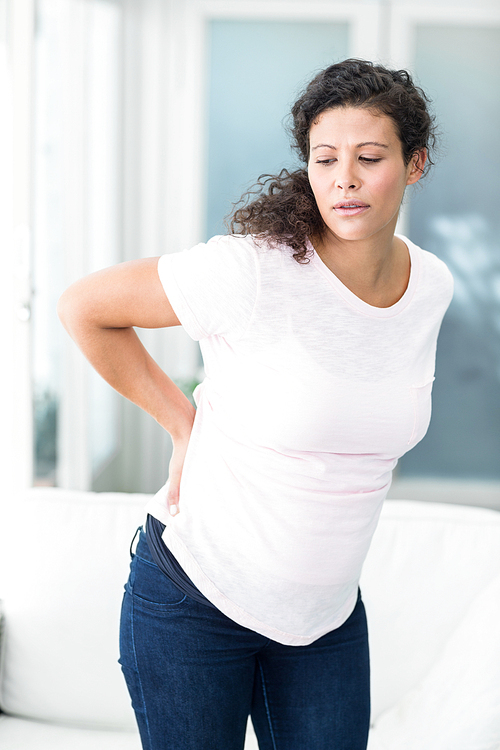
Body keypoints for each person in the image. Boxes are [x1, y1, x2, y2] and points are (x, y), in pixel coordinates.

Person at [58, 59, 453, 750]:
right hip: (194, 603)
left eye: (369, 157)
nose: (345, 179)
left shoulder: (432, 287)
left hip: (325, 622)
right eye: (325, 159)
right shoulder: (252, 271)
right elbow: (85, 308)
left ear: (414, 164)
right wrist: (183, 424)